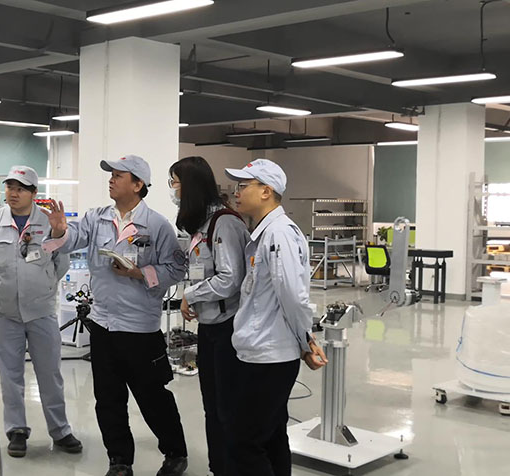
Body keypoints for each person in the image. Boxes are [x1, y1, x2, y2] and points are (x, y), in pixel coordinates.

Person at [42, 155, 188, 476]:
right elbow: (69, 240)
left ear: (138, 184)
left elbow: (177, 268)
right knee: (108, 400)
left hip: (140, 329)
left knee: (152, 398)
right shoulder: (97, 218)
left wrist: (140, 273)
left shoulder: (157, 226)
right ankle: (119, 460)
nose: (111, 180)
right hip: (103, 325)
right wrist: (59, 230)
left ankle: (175, 453)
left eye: (118, 175)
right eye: (111, 175)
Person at [223, 159, 328, 476]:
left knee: (244, 443)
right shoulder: (266, 233)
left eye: (244, 186)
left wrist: (305, 341)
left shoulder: (279, 234)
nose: (237, 192)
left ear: (266, 191)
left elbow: (293, 297)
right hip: (262, 350)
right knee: (271, 437)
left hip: (269, 355)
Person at [0, 165, 83, 458]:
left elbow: (62, 263)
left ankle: (60, 430)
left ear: (34, 193)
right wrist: (3, 289)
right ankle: (16, 430)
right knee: (10, 377)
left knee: (50, 374)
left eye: (21, 188)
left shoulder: (49, 223)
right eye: (10, 187)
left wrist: (43, 286)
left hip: (42, 313)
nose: (14, 193)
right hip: (5, 315)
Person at [169, 156, 249, 476]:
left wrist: (191, 295)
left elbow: (230, 278)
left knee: (226, 408)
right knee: (212, 406)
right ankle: (219, 467)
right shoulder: (202, 226)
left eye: (175, 183)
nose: (173, 190)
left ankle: (230, 467)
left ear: (190, 186)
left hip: (228, 328)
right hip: (209, 326)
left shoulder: (224, 224)